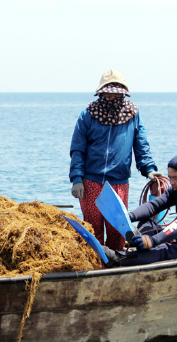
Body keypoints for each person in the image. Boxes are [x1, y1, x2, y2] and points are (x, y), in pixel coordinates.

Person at [69, 69, 162, 251]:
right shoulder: (88, 115)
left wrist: (149, 169)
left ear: (123, 93)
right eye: (108, 93)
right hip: (91, 183)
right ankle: (96, 267)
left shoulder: (133, 115)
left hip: (119, 184)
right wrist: (77, 179)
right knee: (93, 230)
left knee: (118, 230)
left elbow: (141, 146)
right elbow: (77, 149)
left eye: (116, 94)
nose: (111, 97)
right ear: (101, 93)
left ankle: (117, 265)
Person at [104, 154, 177, 267]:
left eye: (176, 178)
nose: (171, 182)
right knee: (147, 223)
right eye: (170, 178)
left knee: (164, 249)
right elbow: (154, 206)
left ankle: (119, 258)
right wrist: (130, 216)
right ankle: (140, 247)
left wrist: (154, 240)